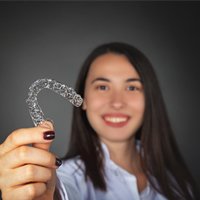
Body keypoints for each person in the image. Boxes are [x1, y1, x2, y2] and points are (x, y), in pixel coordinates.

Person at [0, 42, 199, 200]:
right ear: (83, 99)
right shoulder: (68, 176)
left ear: (149, 99)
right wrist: (48, 195)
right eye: (102, 87)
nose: (117, 103)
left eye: (132, 88)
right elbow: (61, 191)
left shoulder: (176, 180)